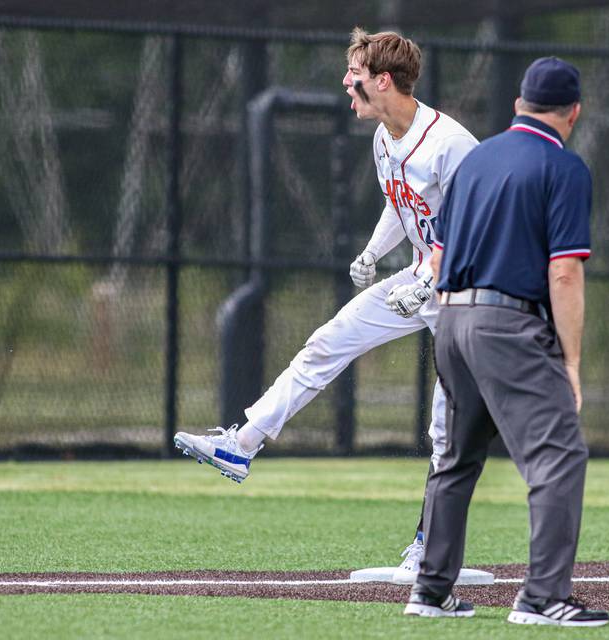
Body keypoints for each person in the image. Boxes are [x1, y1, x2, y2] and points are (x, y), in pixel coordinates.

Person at [174, 28, 478, 576]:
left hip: (469, 292)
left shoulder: (450, 144)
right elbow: (401, 205)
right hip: (419, 276)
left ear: (383, 81)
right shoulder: (385, 137)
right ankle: (242, 444)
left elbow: (473, 229)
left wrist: (430, 279)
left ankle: (429, 548)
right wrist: (373, 252)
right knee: (328, 340)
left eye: (355, 74)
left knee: (444, 429)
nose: (346, 82)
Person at [403, 57, 609, 626]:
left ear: (518, 104)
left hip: (452, 320)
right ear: (574, 113)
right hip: (508, 325)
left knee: (456, 458)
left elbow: (437, 253)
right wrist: (570, 362)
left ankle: (431, 589)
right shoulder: (564, 168)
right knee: (559, 457)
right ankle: (543, 597)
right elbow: (564, 272)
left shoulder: (476, 161)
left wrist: (456, 320)